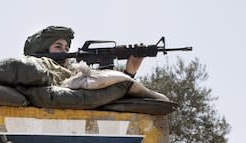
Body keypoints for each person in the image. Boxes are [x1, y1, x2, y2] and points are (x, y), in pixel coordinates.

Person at [23, 25, 168, 101]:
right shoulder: (38, 73)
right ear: (42, 50)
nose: (65, 51)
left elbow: (106, 94)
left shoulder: (71, 72)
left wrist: (130, 71)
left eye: (67, 47)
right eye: (58, 47)